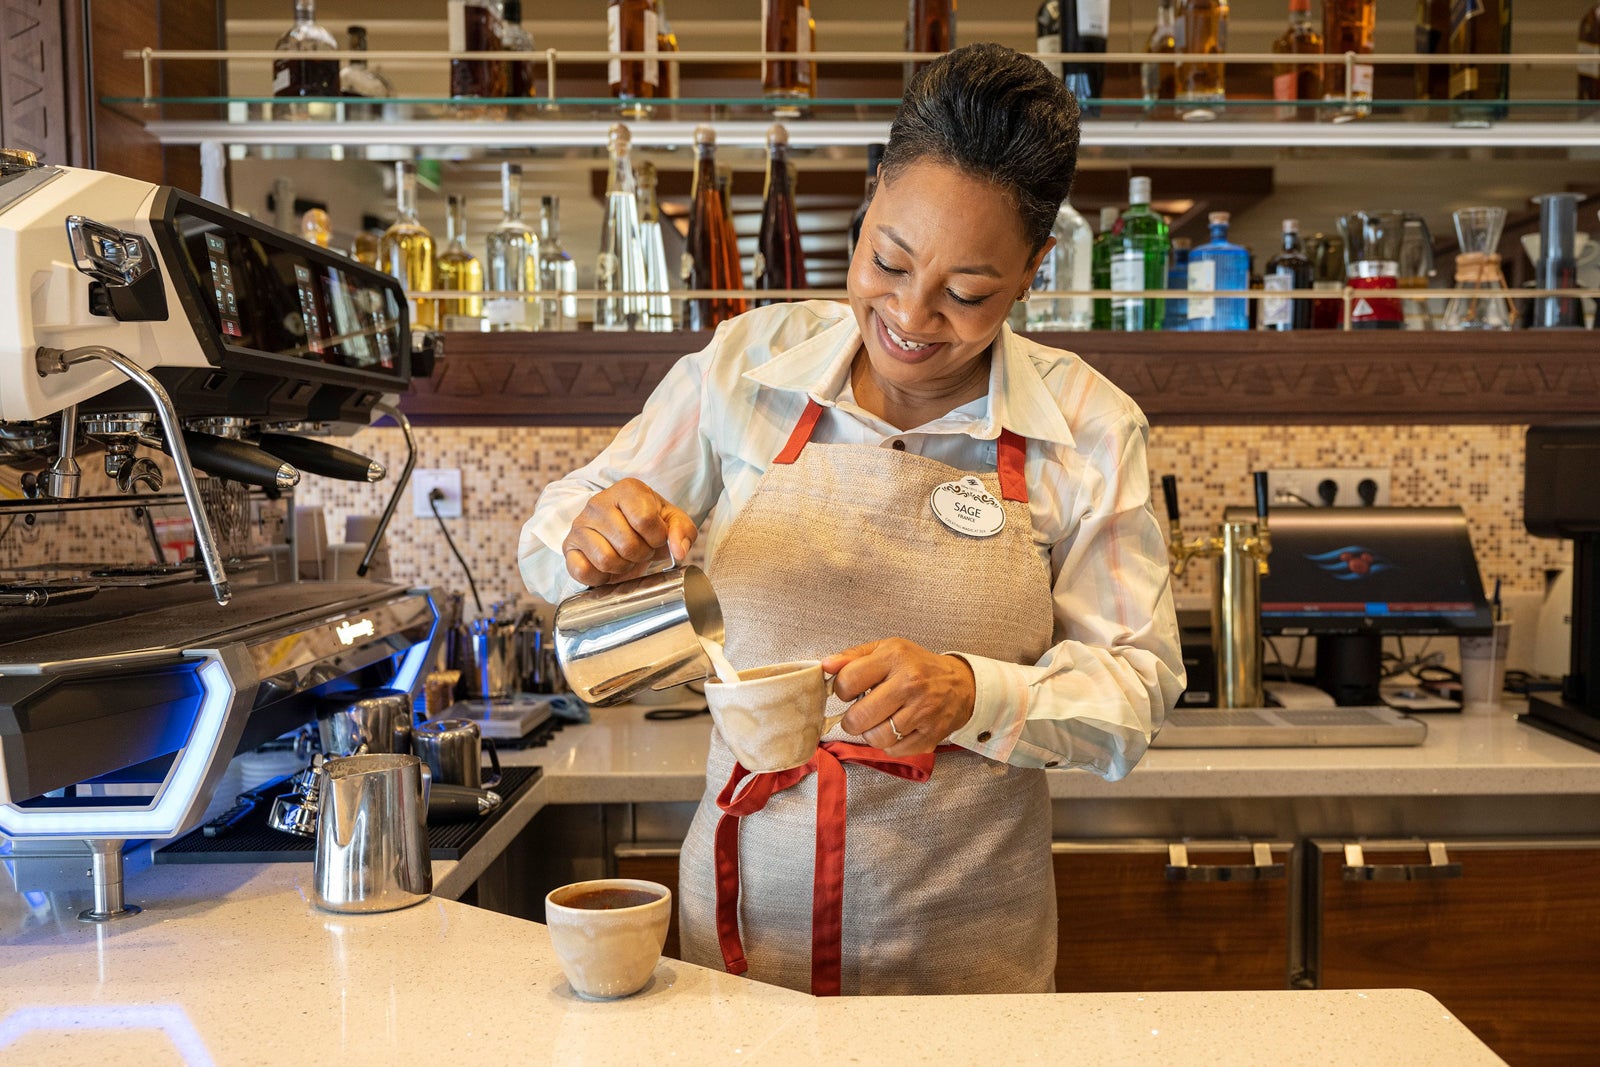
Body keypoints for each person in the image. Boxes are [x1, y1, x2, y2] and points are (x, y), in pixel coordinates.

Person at [519, 43, 1184, 997]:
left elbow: (1138, 684)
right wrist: (592, 532)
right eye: (889, 259)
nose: (911, 316)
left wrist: (972, 691)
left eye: (967, 293)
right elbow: (550, 542)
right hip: (744, 935)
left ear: (1037, 265)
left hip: (970, 948)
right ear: (871, 198)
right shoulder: (743, 367)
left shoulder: (1086, 427)